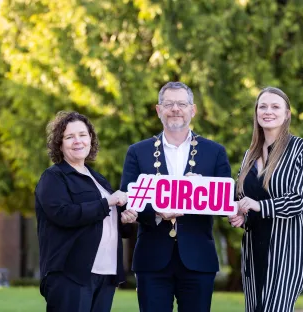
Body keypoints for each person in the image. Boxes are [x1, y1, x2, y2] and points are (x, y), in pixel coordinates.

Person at [120, 81, 231, 312]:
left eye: (181, 103)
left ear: (193, 110)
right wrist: (157, 213)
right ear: (158, 110)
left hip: (199, 259)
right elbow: (129, 200)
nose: (175, 109)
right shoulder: (138, 152)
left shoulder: (215, 152)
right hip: (152, 259)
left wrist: (202, 191)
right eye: (168, 103)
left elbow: (224, 204)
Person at [35, 111, 138, 312]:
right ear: (60, 143)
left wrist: (125, 220)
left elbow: (107, 222)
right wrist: (107, 202)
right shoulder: (53, 177)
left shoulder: (99, 179)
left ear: (90, 139)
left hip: (106, 273)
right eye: (69, 136)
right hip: (70, 275)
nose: (77, 141)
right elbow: (63, 214)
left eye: (83, 135)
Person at [229, 87, 303, 312]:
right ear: (256, 112)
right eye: (263, 106)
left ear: (287, 114)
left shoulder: (301, 150)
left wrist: (260, 206)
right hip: (253, 243)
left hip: (288, 245)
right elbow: (241, 196)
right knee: (256, 308)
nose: (268, 111)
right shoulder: (250, 154)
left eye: (275, 106)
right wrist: (239, 212)